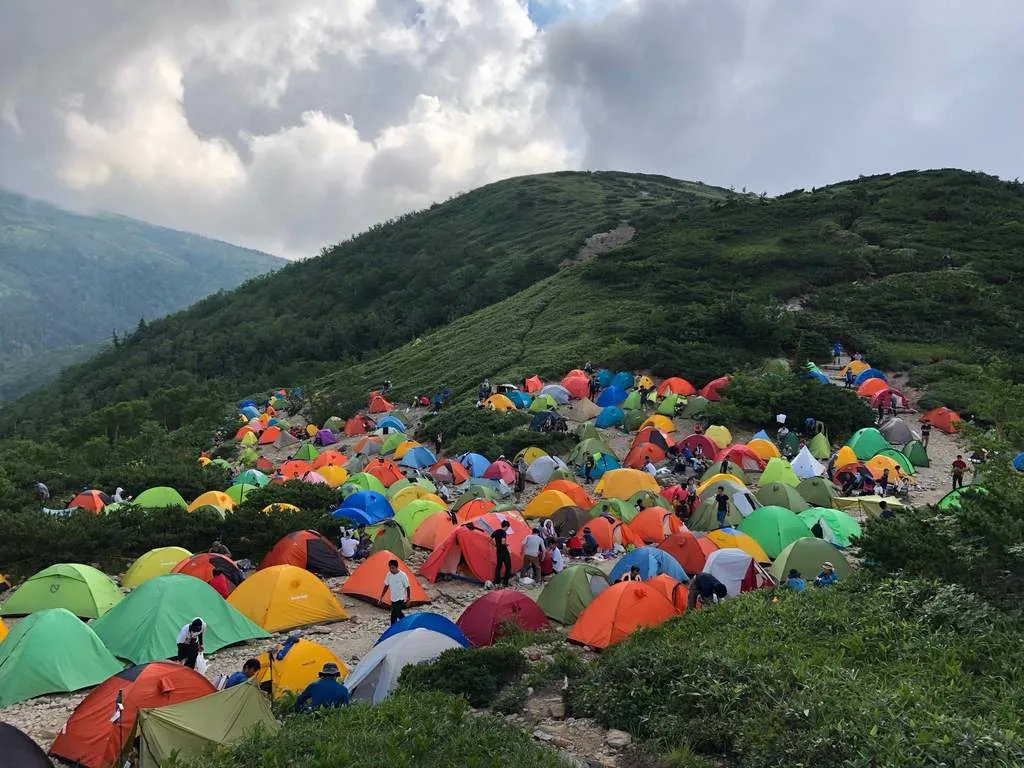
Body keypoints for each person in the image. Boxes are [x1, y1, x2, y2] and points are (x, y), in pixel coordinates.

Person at [380, 559, 411, 625]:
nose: (391, 570)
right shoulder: (389, 574)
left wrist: (408, 599)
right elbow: (386, 586)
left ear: (397, 567)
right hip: (393, 599)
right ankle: (406, 623)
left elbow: (407, 587)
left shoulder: (402, 575)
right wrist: (381, 597)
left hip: (400, 599)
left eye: (393, 568)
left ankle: (392, 629)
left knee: (393, 615)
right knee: (399, 613)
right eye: (390, 568)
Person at [491, 520, 513, 587]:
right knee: (508, 566)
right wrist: (506, 545)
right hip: (504, 551)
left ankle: (497, 581)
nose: (507, 529)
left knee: (499, 566)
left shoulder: (496, 531)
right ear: (506, 526)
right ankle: (505, 582)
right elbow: (503, 542)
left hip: (498, 551)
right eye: (508, 527)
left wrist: (495, 545)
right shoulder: (503, 532)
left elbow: (489, 539)